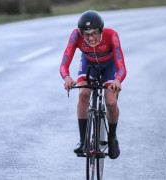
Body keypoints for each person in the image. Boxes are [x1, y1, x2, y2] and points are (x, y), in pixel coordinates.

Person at [60, 10, 126, 159]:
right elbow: (64, 64)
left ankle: (112, 137)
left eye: (94, 33)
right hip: (89, 65)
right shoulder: (75, 35)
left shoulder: (112, 35)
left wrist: (117, 80)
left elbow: (121, 66)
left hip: (109, 67)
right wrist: (67, 77)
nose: (90, 38)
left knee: (110, 101)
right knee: (83, 93)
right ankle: (83, 141)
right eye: (86, 34)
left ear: (101, 30)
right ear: (81, 33)